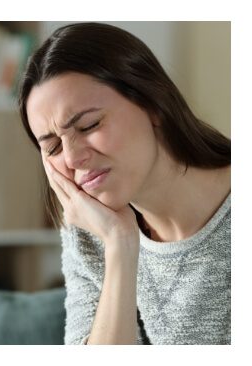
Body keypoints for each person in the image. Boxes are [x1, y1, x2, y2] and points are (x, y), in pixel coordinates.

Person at [18, 22, 231, 345]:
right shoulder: (92, 231)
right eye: (54, 147)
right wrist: (120, 243)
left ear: (153, 104)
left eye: (89, 125)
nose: (73, 159)